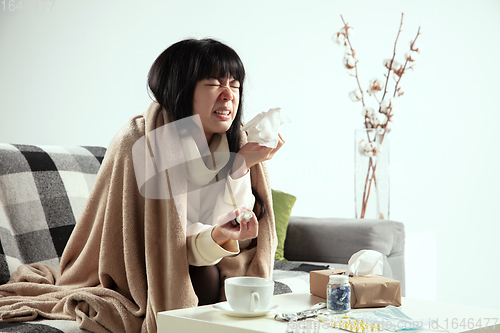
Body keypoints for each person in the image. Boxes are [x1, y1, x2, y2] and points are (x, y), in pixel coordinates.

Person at [0, 38, 282, 333]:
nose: (228, 96)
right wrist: (215, 236)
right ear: (181, 89)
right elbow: (159, 245)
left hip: (198, 259)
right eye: (214, 84)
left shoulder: (233, 144)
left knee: (210, 277)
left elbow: (226, 239)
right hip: (140, 269)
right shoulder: (141, 142)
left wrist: (239, 168)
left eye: (235, 85)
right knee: (203, 279)